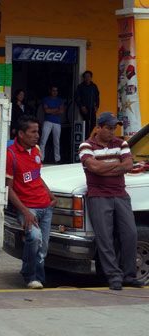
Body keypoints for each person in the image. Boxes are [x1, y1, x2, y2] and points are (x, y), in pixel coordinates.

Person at [78, 112, 144, 290]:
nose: (112, 132)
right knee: (105, 238)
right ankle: (114, 276)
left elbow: (128, 165)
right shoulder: (86, 145)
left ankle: (129, 275)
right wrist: (117, 166)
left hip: (120, 195)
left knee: (130, 234)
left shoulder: (121, 143)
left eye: (114, 128)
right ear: (98, 128)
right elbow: (93, 167)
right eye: (108, 128)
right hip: (98, 196)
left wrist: (103, 168)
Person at [6, 115, 56, 289]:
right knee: (34, 238)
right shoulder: (10, 155)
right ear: (21, 133)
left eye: (38, 131)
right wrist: (25, 211)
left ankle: (38, 278)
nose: (37, 135)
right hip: (28, 208)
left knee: (43, 247)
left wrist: (50, 196)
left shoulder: (36, 150)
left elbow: (37, 176)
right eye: (33, 132)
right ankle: (30, 276)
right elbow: (8, 188)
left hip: (45, 206)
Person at [39, 86, 64, 163]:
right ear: (50, 91)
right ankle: (41, 158)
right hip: (48, 121)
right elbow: (46, 111)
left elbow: (61, 111)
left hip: (57, 123)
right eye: (53, 90)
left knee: (56, 141)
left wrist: (51, 110)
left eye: (56, 91)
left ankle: (57, 159)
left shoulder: (60, 100)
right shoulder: (46, 99)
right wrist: (56, 109)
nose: (55, 92)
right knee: (43, 140)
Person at [74, 70, 100, 138]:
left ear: (91, 77)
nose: (87, 78)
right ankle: (86, 138)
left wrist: (97, 106)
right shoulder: (80, 86)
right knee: (86, 124)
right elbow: (77, 98)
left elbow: (97, 97)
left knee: (93, 124)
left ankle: (92, 137)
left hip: (92, 108)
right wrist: (81, 106)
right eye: (85, 77)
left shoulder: (94, 86)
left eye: (88, 76)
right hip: (84, 108)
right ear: (83, 78)